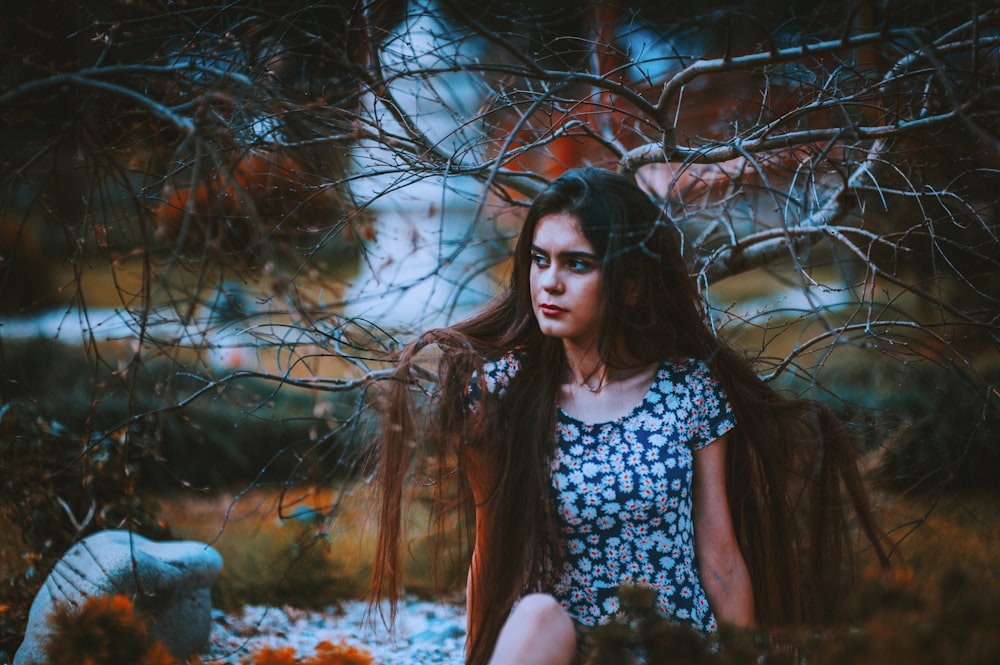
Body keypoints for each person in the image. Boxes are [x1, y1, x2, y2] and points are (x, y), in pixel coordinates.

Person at [368, 167, 890, 665]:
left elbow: (721, 557)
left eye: (577, 263)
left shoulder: (688, 388)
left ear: (633, 284)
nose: (549, 283)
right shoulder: (502, 393)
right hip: (566, 647)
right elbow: (490, 552)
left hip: (670, 646)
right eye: (539, 259)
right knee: (536, 613)